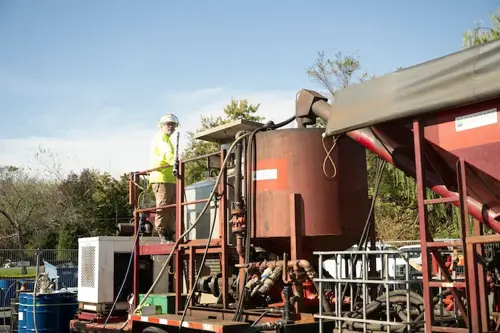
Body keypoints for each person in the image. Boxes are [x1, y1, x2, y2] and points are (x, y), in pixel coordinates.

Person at [149, 113, 179, 243]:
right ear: (162, 126)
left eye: (173, 125)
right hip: (161, 177)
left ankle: (169, 233)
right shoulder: (160, 137)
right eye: (168, 124)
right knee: (163, 205)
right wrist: (176, 161)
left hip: (170, 179)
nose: (171, 127)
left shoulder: (168, 140)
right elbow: (167, 154)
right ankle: (161, 233)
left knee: (173, 207)